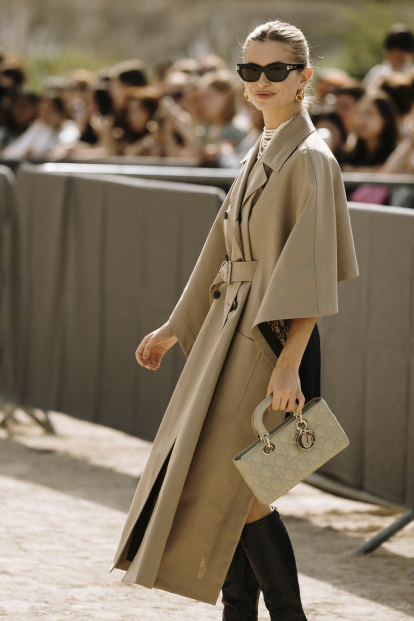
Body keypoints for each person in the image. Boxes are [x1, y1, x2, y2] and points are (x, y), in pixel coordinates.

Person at [111, 19, 359, 621]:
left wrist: (288, 369)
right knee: (228, 488)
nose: (262, 81)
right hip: (229, 333)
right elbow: (220, 250)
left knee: (245, 495)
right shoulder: (262, 149)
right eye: (250, 70)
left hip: (272, 342)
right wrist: (176, 327)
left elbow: (311, 280)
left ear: (304, 78)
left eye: (277, 70)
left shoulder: (310, 159)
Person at [341, 91, 398, 172]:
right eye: (359, 113)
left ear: (385, 119)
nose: (360, 121)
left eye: (369, 114)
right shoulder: (347, 154)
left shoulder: (396, 154)